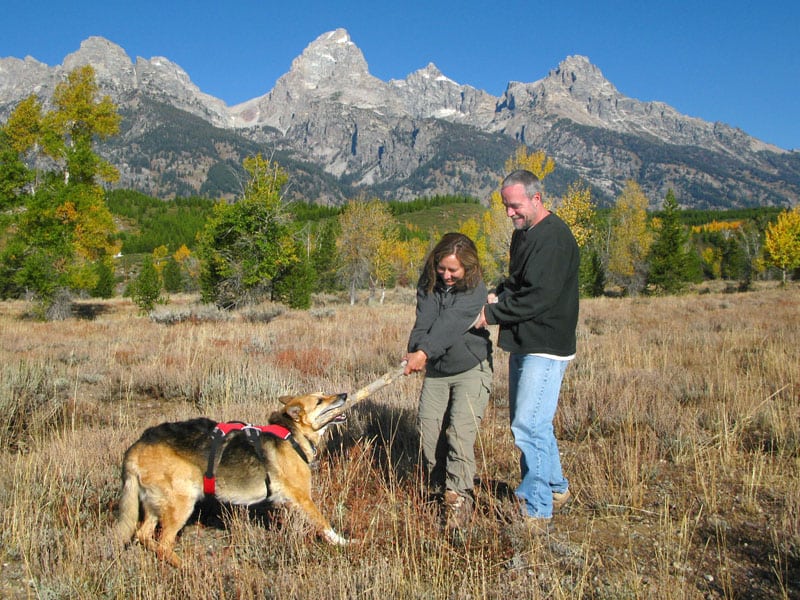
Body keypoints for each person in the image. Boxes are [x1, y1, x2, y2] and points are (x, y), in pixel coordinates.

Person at [474, 169, 579, 534]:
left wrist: (490, 313)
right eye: (505, 206)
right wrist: (500, 290)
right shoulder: (525, 235)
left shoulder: (554, 239)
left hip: (545, 346)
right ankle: (555, 488)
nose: (509, 213)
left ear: (536, 198)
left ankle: (537, 509)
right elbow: (521, 282)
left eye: (514, 205)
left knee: (527, 425)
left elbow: (538, 297)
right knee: (534, 423)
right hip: (526, 341)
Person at [403, 232, 493, 531]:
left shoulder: (475, 289)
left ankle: (458, 498)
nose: (446, 275)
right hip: (438, 371)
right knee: (428, 433)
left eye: (453, 270)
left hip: (470, 367)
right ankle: (438, 490)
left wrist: (424, 352)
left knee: (459, 433)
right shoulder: (430, 281)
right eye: (442, 268)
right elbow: (425, 319)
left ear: (467, 268)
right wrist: (415, 348)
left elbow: (449, 325)